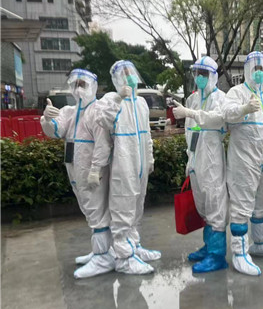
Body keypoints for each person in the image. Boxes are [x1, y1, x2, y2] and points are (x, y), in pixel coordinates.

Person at [40, 69, 114, 279]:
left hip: (92, 172)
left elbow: (103, 145)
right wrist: (47, 120)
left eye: (83, 84)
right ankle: (100, 250)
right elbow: (57, 130)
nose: (79, 88)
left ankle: (103, 257)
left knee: (97, 210)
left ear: (93, 86)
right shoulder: (70, 112)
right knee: (89, 210)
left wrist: (96, 169)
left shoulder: (97, 112)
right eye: (76, 84)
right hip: (75, 169)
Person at [221, 51, 263, 276]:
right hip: (243, 161)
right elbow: (226, 114)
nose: (258, 72)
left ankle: (259, 242)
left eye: (261, 68)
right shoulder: (237, 93)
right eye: (254, 68)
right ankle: (239, 253)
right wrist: (244, 109)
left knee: (262, 201)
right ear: (247, 70)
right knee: (241, 205)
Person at [95, 60, 160, 275]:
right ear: (116, 79)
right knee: (123, 208)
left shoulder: (141, 103)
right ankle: (124, 258)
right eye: (124, 73)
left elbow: (147, 135)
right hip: (123, 164)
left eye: (131, 72)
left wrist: (150, 159)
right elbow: (102, 120)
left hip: (140, 164)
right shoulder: (109, 99)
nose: (129, 77)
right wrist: (118, 98)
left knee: (136, 208)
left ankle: (134, 246)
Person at [172, 56, 229, 273]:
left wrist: (190, 113)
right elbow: (190, 131)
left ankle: (217, 256)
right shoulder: (193, 99)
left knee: (215, 203)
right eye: (197, 73)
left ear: (213, 76)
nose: (200, 77)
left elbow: (217, 119)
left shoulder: (221, 98)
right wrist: (190, 158)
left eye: (204, 74)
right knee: (203, 206)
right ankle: (208, 247)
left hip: (212, 159)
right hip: (196, 159)